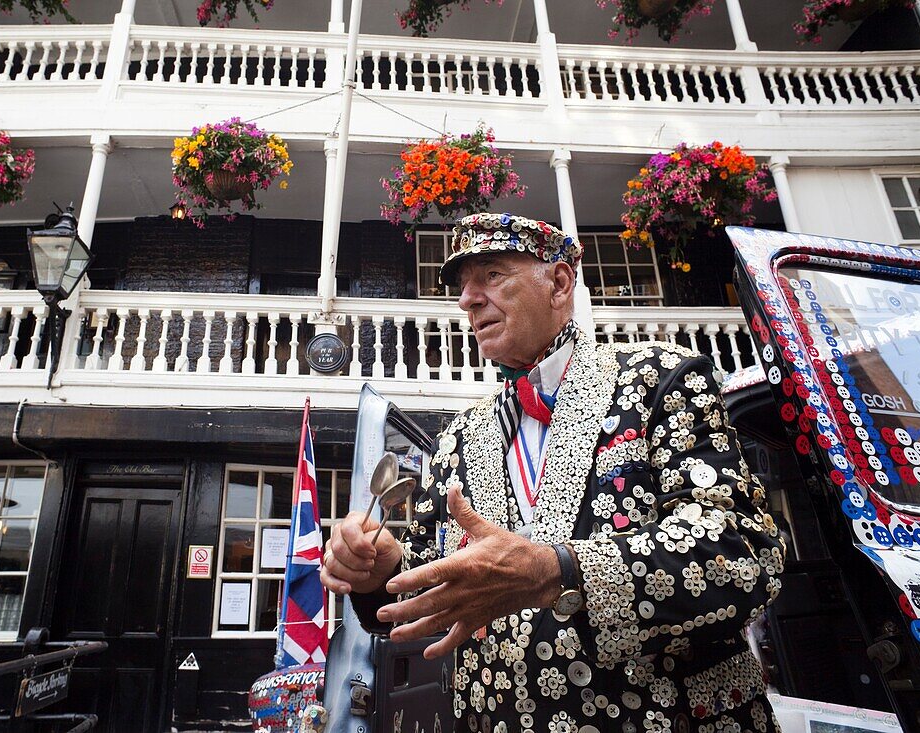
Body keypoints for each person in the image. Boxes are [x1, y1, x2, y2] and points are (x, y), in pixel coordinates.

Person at [321, 212, 786, 733]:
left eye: (492, 275)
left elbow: (744, 555)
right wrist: (380, 573)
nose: (467, 299)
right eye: (461, 285)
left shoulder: (661, 377)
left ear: (560, 283)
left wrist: (557, 570)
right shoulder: (457, 437)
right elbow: (425, 611)